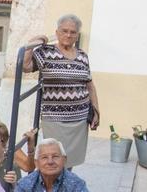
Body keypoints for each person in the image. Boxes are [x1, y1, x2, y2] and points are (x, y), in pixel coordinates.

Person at [22, 14, 100, 168]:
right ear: (57, 32)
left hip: (79, 120)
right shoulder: (46, 52)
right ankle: (53, 190)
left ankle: (66, 189)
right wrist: (32, 43)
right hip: (55, 119)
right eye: (64, 31)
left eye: (73, 32)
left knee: (70, 162)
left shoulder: (83, 56)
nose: (68, 35)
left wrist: (96, 111)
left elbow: (90, 85)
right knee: (53, 160)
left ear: (77, 35)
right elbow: (26, 67)